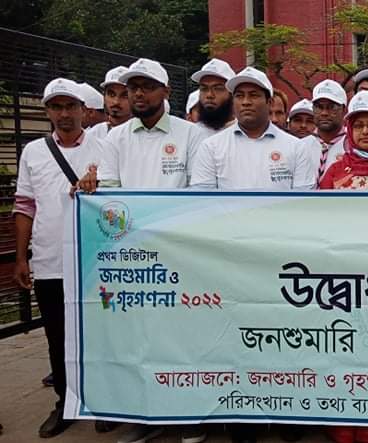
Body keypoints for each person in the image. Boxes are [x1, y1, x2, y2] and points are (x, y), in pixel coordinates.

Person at [81, 58, 208, 443]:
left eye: (146, 86)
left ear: (165, 92)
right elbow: (110, 198)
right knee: (139, 340)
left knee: (183, 338)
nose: (138, 94)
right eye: (133, 87)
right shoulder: (115, 139)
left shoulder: (191, 135)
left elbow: (198, 196)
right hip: (135, 258)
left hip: (180, 254)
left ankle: (188, 416)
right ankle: (146, 415)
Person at [13, 78, 108, 439]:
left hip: (95, 260)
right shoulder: (33, 152)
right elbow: (25, 206)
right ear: (47, 112)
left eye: (70, 106)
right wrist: (21, 258)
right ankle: (66, 402)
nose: (64, 114)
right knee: (57, 335)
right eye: (56, 107)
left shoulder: (104, 146)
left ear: (84, 110)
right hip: (50, 259)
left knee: (101, 335)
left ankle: (104, 400)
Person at [190, 66, 312, 191]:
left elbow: (303, 198)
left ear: (269, 103)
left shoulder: (296, 148)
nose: (245, 102)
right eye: (239, 96)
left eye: (253, 95)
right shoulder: (211, 147)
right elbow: (203, 197)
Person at [299, 79, 348, 179]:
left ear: (344, 110)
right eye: (319, 107)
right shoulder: (300, 146)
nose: (324, 113)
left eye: (332, 107)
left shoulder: (353, 146)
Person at [191, 58, 237, 139]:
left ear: (232, 94)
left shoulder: (246, 133)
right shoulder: (189, 135)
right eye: (204, 89)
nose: (209, 95)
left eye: (218, 89)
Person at [88, 66, 133, 139]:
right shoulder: (94, 134)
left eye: (125, 96)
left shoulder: (143, 134)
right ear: (104, 96)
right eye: (111, 95)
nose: (116, 102)